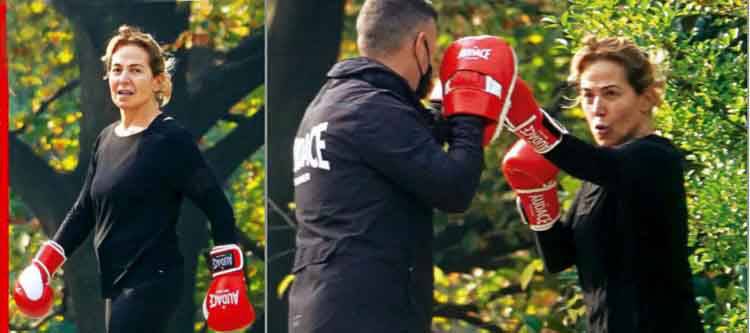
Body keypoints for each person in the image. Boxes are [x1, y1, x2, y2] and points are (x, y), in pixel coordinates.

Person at [288, 0, 519, 332]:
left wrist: (444, 111)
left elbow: (405, 140)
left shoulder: (332, 103)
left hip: (325, 305)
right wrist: (470, 113)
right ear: (421, 44)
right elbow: (454, 189)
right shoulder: (369, 108)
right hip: (366, 314)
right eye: (434, 51)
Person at [12, 25, 254, 333]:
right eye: (117, 69)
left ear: (157, 81)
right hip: (116, 284)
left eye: (135, 70)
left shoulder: (170, 139)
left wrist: (227, 275)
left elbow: (217, 207)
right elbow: (85, 208)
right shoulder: (106, 140)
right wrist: (43, 264)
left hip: (155, 280)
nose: (123, 78)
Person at [501, 36, 703, 332]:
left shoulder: (656, 158)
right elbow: (559, 257)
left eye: (610, 94)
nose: (597, 108)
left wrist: (528, 121)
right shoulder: (596, 181)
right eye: (588, 95)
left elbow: (596, 164)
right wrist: (536, 198)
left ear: (646, 98)